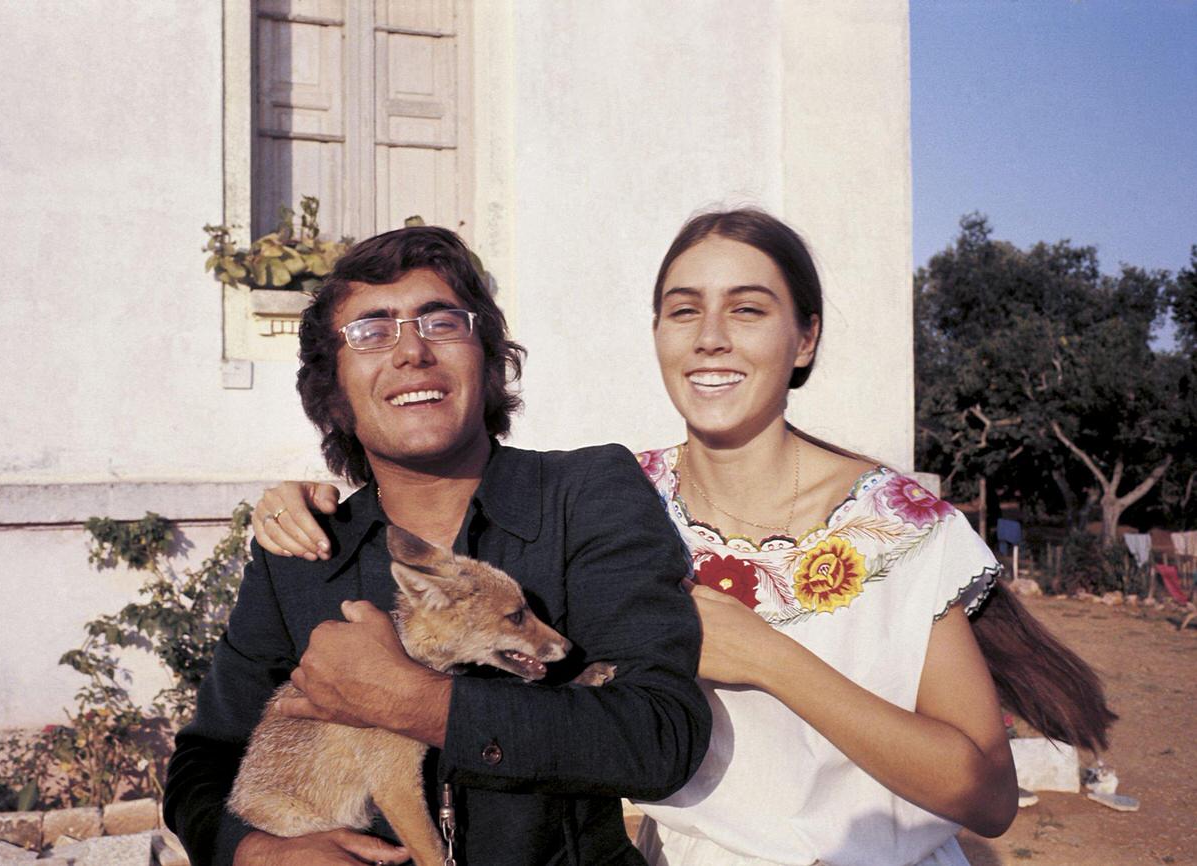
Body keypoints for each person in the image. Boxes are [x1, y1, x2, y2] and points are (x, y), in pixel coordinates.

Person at [256, 209, 1115, 866]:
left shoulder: (898, 525)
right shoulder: (615, 503)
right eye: (682, 311)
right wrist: (317, 501)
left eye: (748, 309)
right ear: (659, 336)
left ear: (804, 337)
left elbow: (988, 797)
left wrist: (769, 658)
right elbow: (461, 539)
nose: (710, 338)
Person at [163, 225, 712, 866]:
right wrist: (256, 853)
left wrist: (415, 700)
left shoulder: (584, 495)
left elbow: (661, 739)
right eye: (371, 331)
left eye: (441, 322)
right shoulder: (306, 554)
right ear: (334, 392)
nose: (411, 353)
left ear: (487, 358)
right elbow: (204, 762)